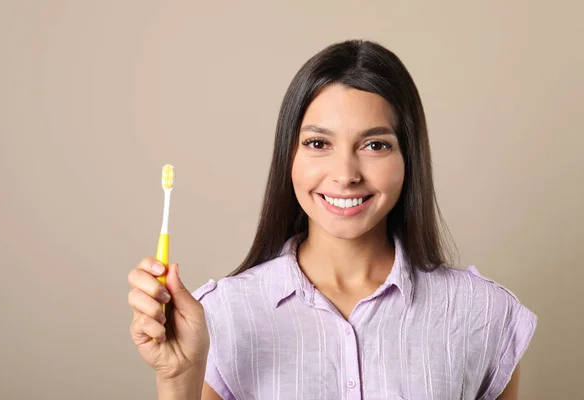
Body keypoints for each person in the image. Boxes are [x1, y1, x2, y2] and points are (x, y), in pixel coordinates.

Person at [127, 39, 537, 400]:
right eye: (318, 143)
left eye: (375, 144)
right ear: (289, 157)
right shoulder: (217, 317)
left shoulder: (483, 313)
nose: (345, 174)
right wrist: (178, 380)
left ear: (409, 159)